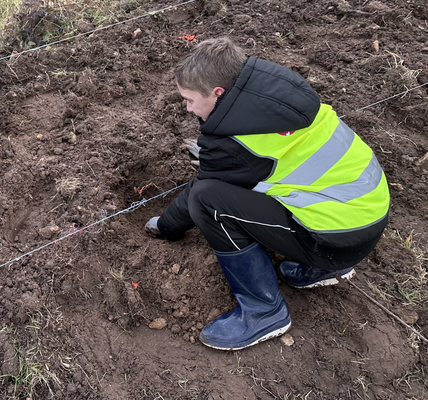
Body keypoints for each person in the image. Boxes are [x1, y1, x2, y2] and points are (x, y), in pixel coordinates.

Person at [144, 38, 390, 351]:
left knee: (207, 200)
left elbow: (202, 188)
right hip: (368, 211)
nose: (188, 108)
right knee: (266, 184)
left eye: (190, 100)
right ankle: (321, 269)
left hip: (336, 240)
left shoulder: (236, 145)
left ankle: (264, 312)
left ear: (217, 92)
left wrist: (165, 226)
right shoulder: (281, 92)